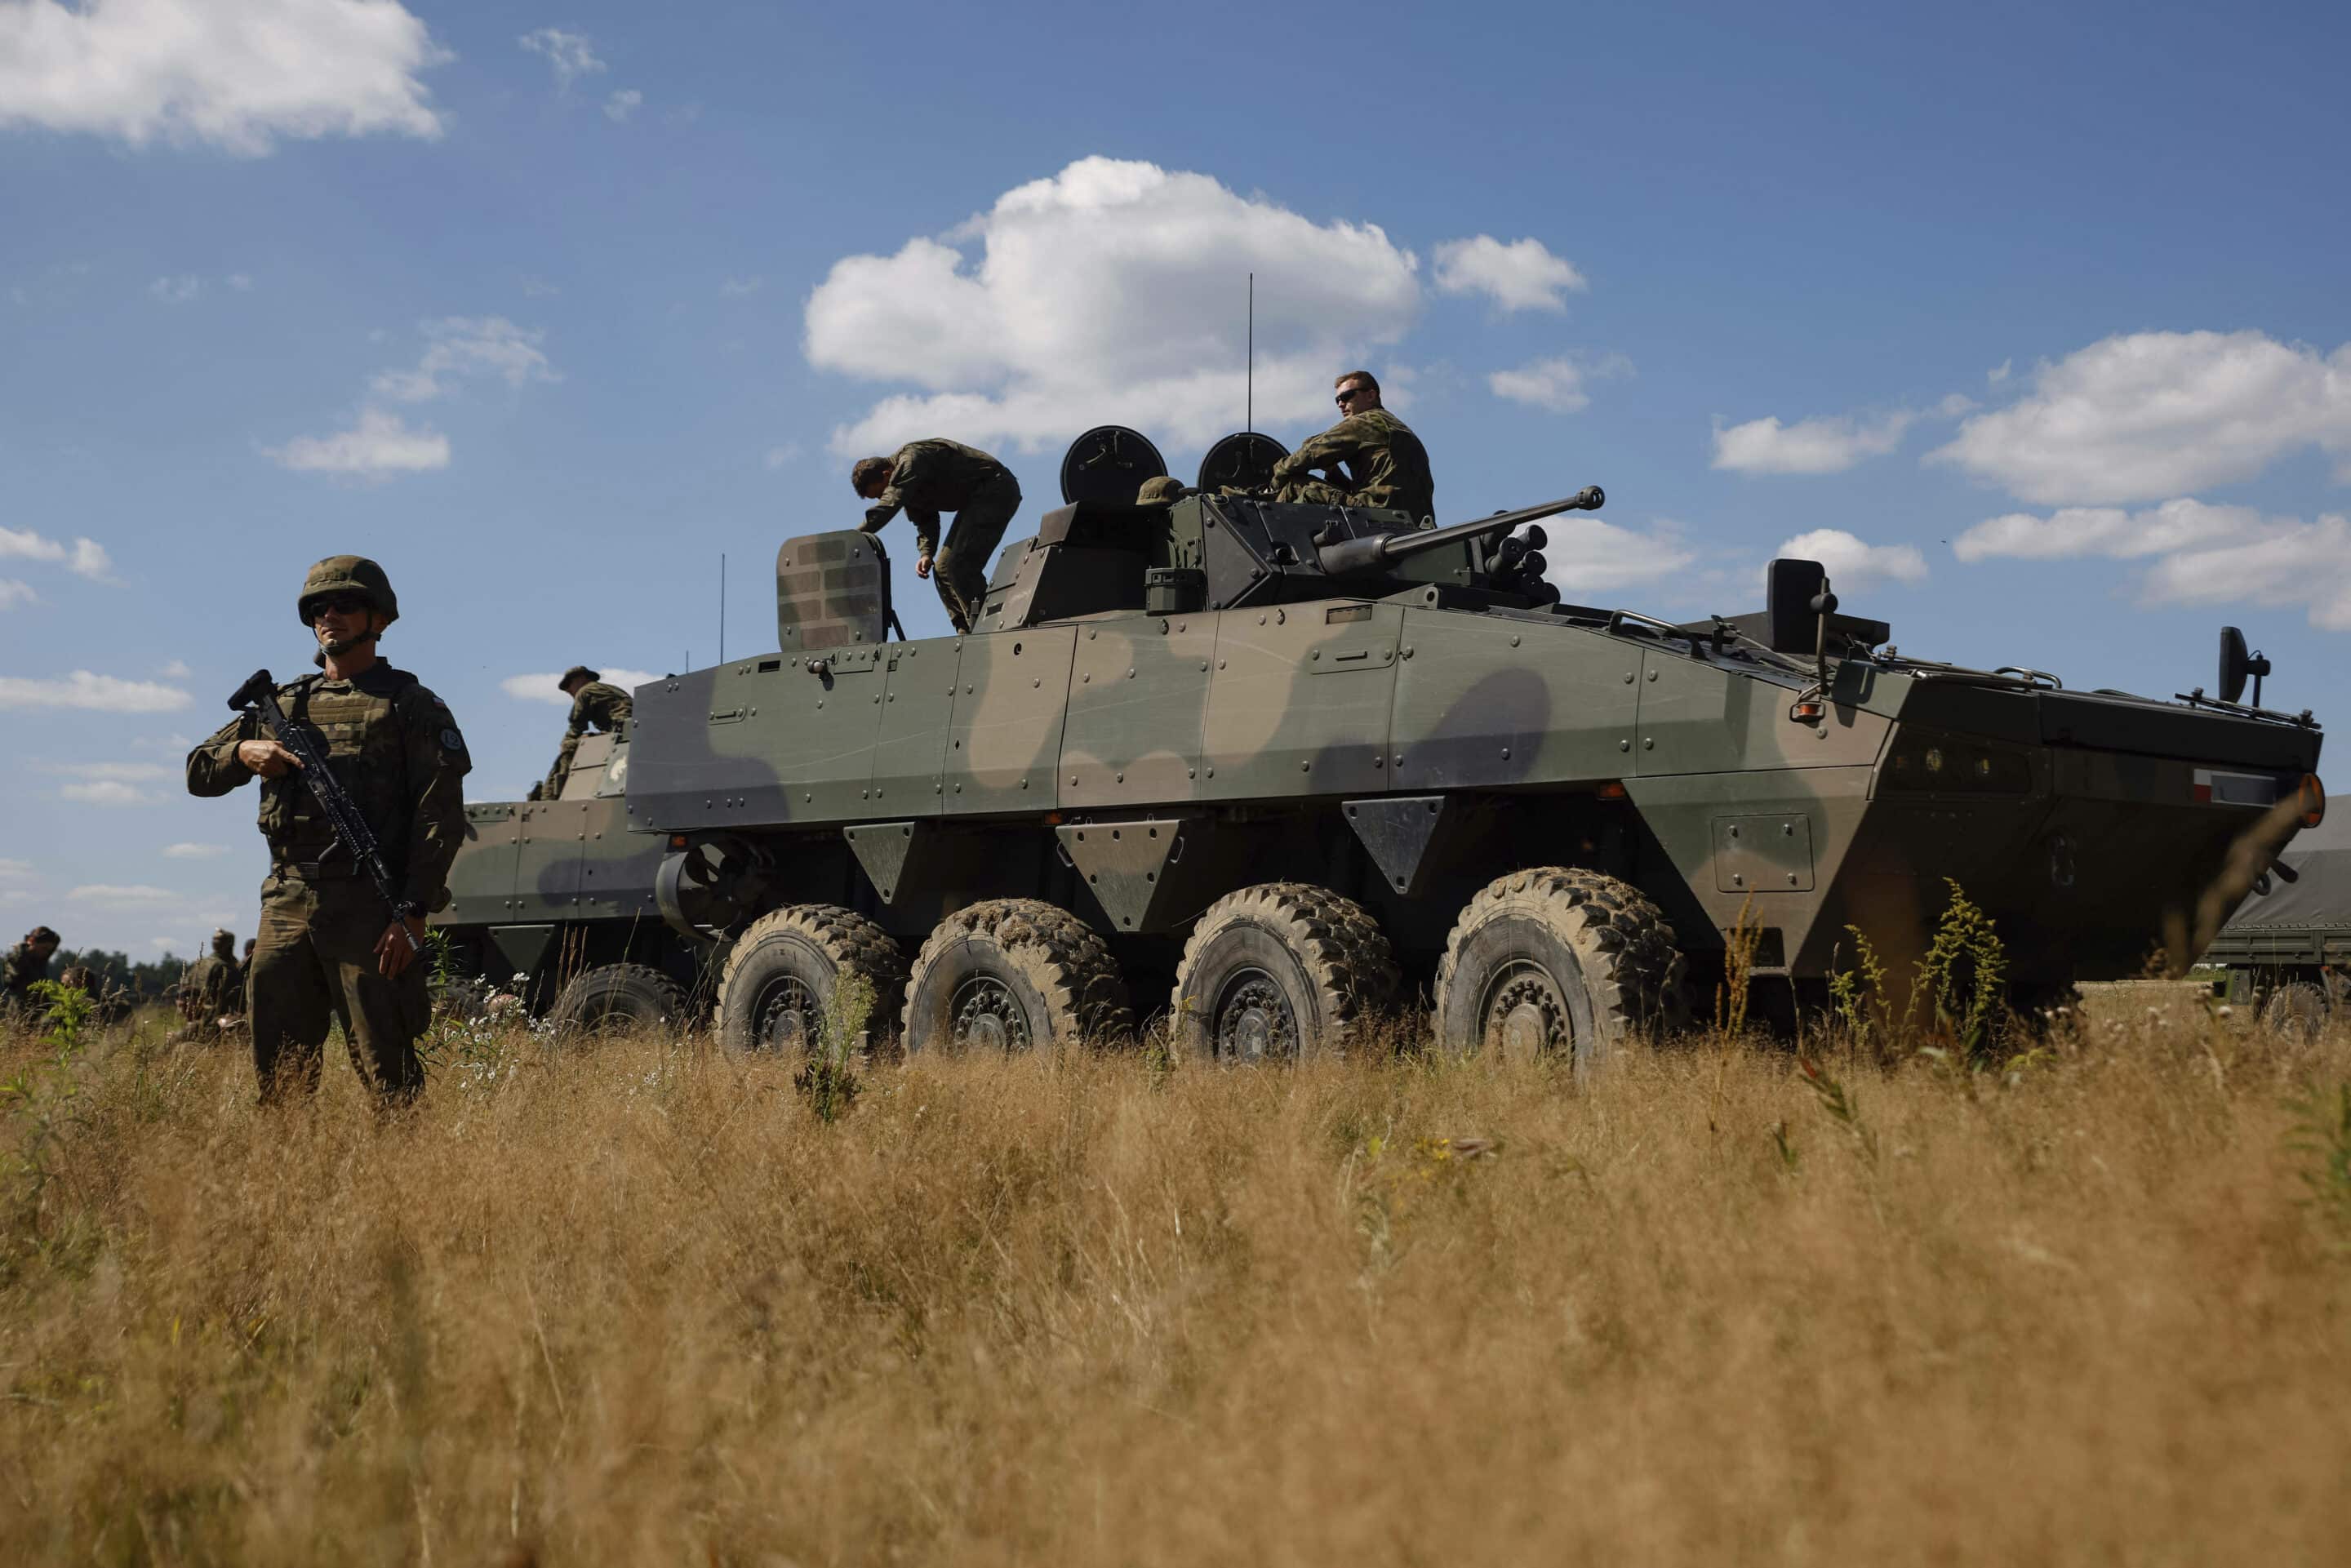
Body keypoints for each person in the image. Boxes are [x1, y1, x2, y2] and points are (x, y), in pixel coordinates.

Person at [185, 556, 471, 1104]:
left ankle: (408, 1184)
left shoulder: (410, 706)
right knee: (281, 1075)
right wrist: (244, 752)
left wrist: (411, 913)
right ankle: (288, 1180)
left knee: (388, 1075)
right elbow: (199, 769)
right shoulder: (284, 705)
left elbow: (440, 819)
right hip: (287, 902)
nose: (330, 615)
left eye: (344, 604)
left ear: (378, 619)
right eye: (319, 607)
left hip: (368, 906)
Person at [851, 440, 1022, 633]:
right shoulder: (907, 484)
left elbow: (890, 503)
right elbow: (925, 519)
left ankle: (988, 627)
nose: (883, 496)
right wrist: (926, 553)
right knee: (942, 571)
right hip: (976, 500)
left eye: (881, 493)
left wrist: (854, 538)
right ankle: (965, 631)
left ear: (887, 474)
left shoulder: (911, 460)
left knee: (959, 566)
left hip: (996, 489)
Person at [1266, 371, 1435, 519]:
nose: (1341, 404)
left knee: (1296, 485)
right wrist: (1333, 473)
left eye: (1347, 396)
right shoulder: (1398, 428)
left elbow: (1310, 453)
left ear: (1370, 395)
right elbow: (1373, 490)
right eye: (1337, 400)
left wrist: (1273, 483)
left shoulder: (1367, 421)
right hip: (1414, 521)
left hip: (1379, 516)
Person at [544, 665, 633, 798]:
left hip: (620, 733)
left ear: (581, 678)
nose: (568, 690)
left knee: (568, 746)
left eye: (568, 684)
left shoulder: (585, 691)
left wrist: (566, 744)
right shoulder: (609, 688)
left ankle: (552, 796)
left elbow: (576, 726)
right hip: (628, 731)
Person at [173, 928, 242, 1042]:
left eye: (219, 940)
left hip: (209, 1014)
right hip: (211, 1015)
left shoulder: (204, 963)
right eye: (215, 939)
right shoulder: (223, 966)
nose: (216, 942)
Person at [2, 926, 62, 1019]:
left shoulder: (40, 960)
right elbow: (11, 981)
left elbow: (56, 941)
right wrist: (21, 952)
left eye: (49, 950)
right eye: (44, 948)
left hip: (39, 1011)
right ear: (32, 941)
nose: (46, 952)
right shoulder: (15, 958)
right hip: (19, 1012)